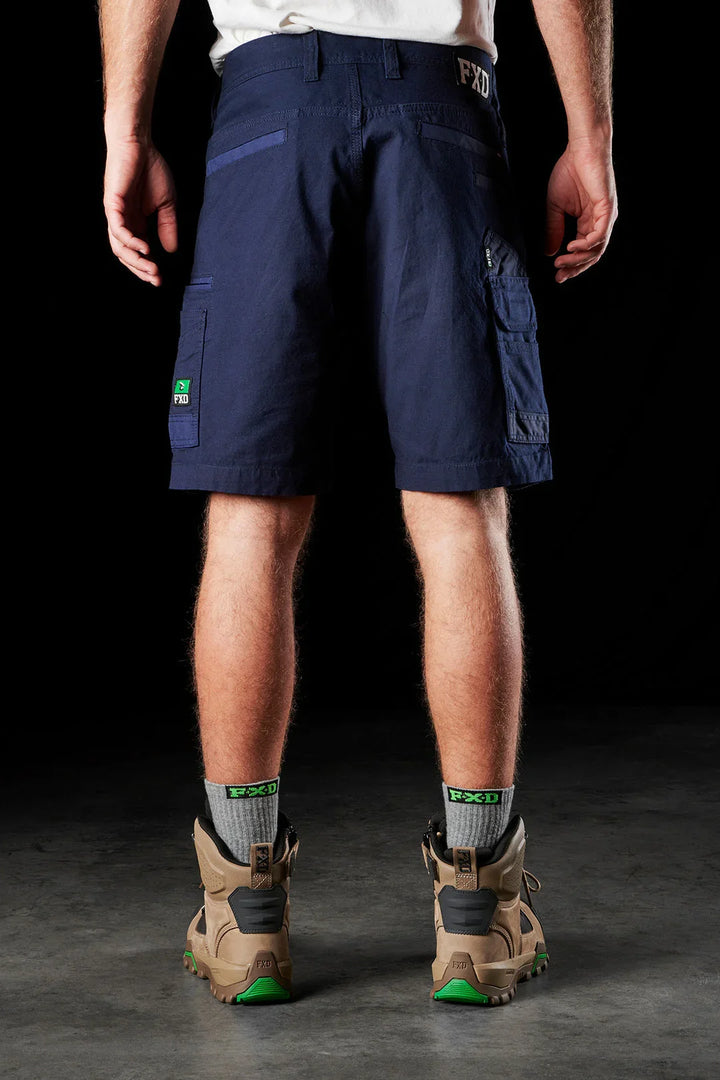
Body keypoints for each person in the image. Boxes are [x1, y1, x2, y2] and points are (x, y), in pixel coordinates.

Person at [100, 0, 617, 1006]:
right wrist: (589, 136)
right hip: (440, 107)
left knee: (250, 517)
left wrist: (126, 125)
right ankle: (478, 914)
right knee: (459, 512)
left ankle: (245, 915)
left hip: (269, 107)